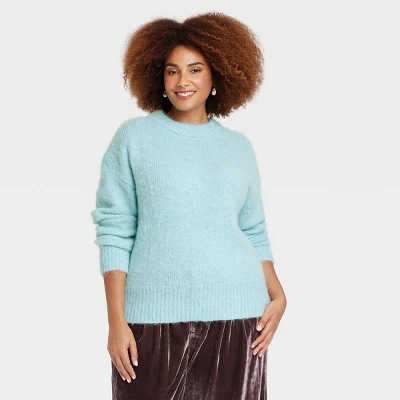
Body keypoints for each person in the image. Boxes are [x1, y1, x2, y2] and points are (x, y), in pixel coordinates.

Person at [91, 11, 287, 400]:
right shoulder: (133, 138)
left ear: (217, 75)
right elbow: (115, 229)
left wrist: (278, 295)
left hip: (238, 315)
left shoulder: (238, 147)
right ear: (158, 78)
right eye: (172, 71)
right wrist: (116, 322)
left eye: (195, 69)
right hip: (151, 320)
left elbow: (252, 230)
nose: (183, 81)